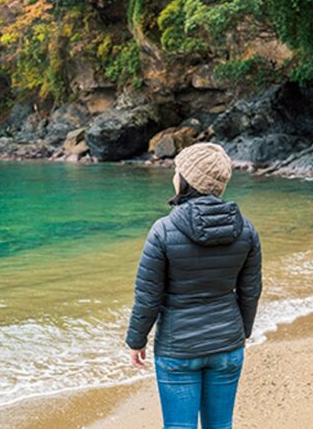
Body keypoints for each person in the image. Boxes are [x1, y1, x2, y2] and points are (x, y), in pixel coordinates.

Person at [125, 142, 262, 429]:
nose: (174, 176)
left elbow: (148, 296)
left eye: (177, 171)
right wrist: (241, 332)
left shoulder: (163, 230)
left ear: (187, 180)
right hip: (227, 344)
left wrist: (136, 340)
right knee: (220, 426)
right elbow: (250, 291)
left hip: (179, 348)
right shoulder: (246, 229)